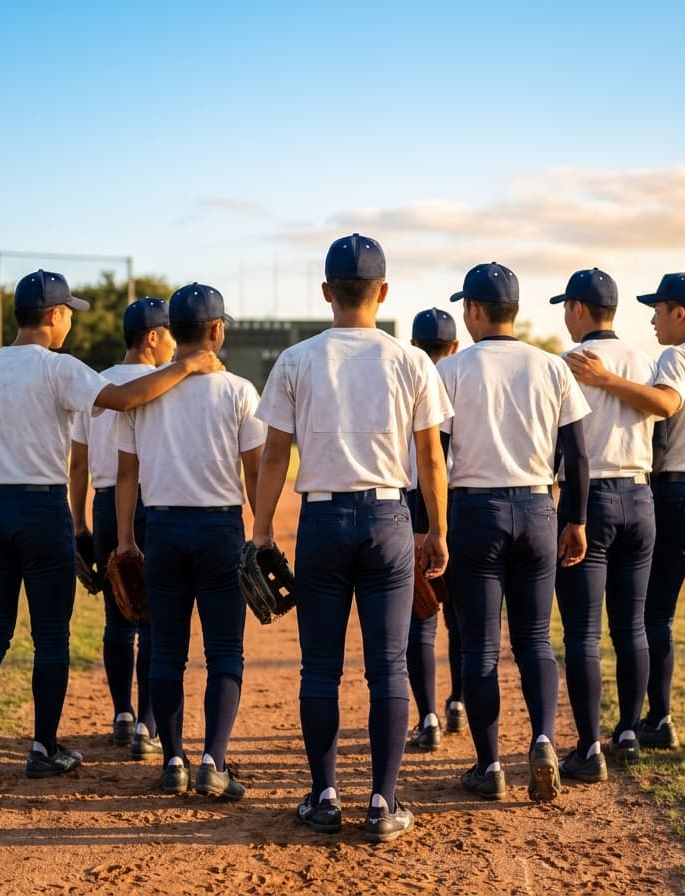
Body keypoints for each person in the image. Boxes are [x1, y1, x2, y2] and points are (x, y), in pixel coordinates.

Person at [0, 269, 221, 785]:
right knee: (50, 636)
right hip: (40, 510)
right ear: (53, 316)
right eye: (69, 312)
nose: (70, 321)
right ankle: (43, 747)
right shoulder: (58, 368)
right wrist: (186, 366)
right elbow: (123, 400)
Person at [250, 234, 451, 843]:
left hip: (324, 522)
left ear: (326, 293)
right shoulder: (410, 360)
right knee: (388, 668)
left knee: (320, 668)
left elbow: (274, 456)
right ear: (383, 292)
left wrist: (260, 530)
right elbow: (431, 460)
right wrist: (436, 529)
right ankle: (383, 804)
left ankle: (325, 795)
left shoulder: (296, 359)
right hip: (390, 519)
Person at [565, 271, 685, 759]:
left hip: (681, 492)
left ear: (680, 313)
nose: (652, 319)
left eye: (658, 309)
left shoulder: (677, 356)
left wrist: (606, 379)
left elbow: (666, 406)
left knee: (654, 615)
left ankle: (658, 718)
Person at [438, 261, 591, 803]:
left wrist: (432, 527)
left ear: (474, 310)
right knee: (534, 641)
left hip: (474, 511)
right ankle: (545, 740)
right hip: (536, 508)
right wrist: (575, 519)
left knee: (480, 649)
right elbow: (576, 454)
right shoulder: (551, 367)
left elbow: (434, 455)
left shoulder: (453, 370)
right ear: (517, 310)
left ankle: (490, 765)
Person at [114, 283, 266, 799]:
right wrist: (261, 528)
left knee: (167, 653)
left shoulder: (146, 392)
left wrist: (125, 540)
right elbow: (255, 471)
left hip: (162, 529)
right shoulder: (240, 391)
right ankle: (213, 762)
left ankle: (173, 759)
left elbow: (126, 475)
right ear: (217, 330)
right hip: (220, 529)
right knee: (225, 652)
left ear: (171, 331)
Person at [548, 269, 657, 782]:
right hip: (640, 495)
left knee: (583, 634)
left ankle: (590, 749)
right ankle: (629, 732)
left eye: (565, 307)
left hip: (587, 501)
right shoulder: (644, 358)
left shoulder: (567, 363)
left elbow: (558, 440)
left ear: (577, 308)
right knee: (631, 624)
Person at [68, 298, 175, 760]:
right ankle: (148, 728)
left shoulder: (94, 385)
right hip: (154, 500)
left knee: (117, 618)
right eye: (170, 332)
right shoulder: (169, 383)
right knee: (152, 617)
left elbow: (77, 465)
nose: (175, 340)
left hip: (108, 503)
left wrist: (79, 522)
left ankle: (122, 714)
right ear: (152, 337)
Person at [404, 308, 464, 751]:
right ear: (454, 347)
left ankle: (427, 717)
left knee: (420, 619)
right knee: (462, 619)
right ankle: (458, 702)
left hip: (414, 509)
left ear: (413, 344)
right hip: (463, 506)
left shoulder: (407, 381)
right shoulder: (467, 380)